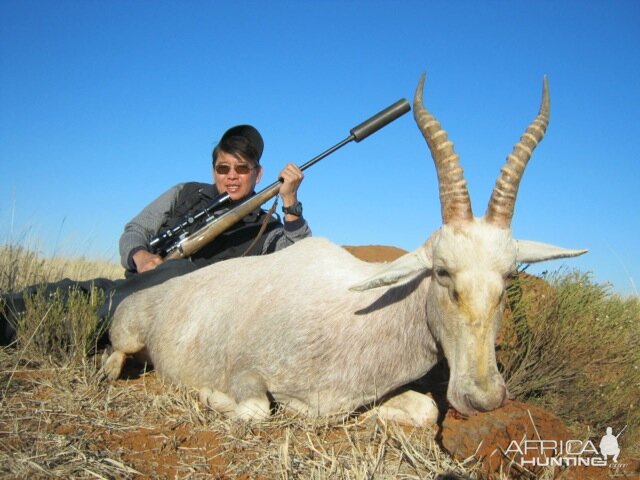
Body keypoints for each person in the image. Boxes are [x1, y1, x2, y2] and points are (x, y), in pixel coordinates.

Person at [0, 125, 311, 345]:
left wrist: (289, 202)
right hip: (138, 282)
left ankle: (26, 329)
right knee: (78, 291)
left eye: (241, 169)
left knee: (173, 274)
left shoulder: (267, 226)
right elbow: (134, 231)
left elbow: (299, 259)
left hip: (189, 307)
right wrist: (141, 256)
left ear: (257, 174)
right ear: (214, 168)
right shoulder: (184, 193)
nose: (231, 176)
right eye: (222, 167)